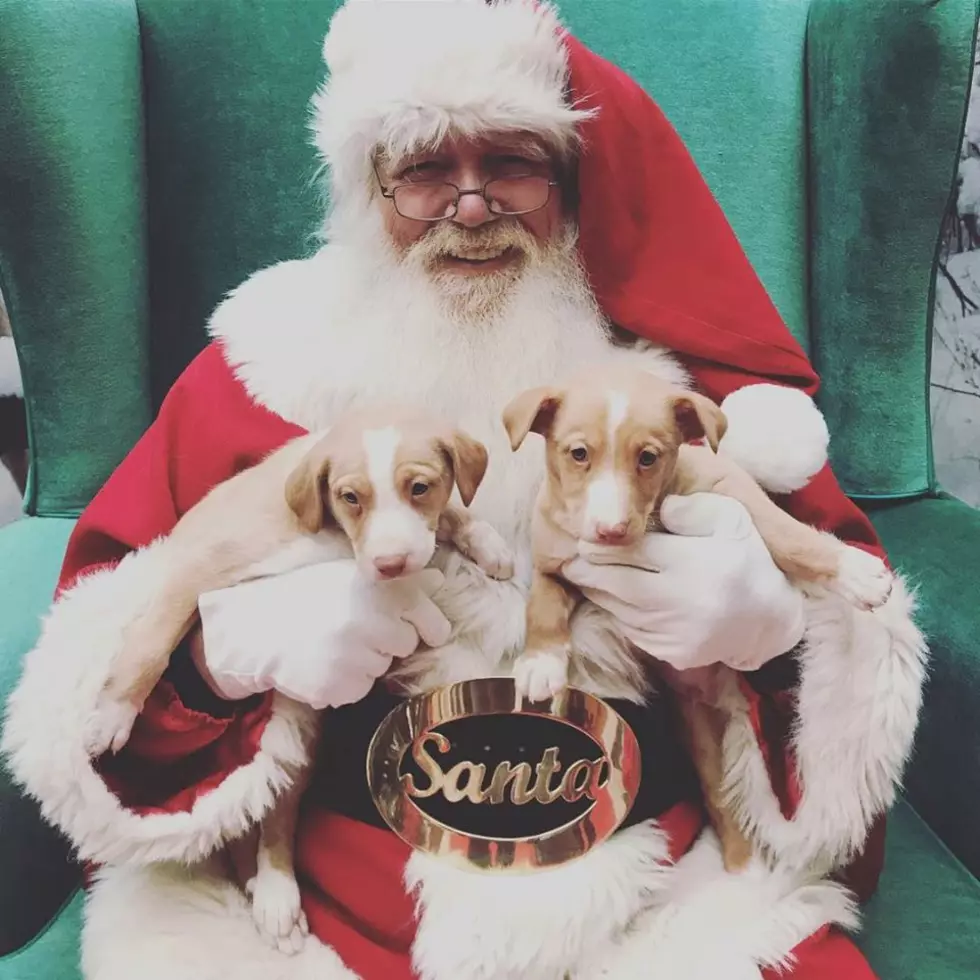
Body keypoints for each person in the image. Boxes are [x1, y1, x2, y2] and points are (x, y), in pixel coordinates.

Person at [2, 2, 926, 978]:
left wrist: (771, 633)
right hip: (334, 904)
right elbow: (96, 692)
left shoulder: (676, 390)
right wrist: (218, 662)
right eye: (425, 167)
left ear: (572, 183)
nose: (472, 204)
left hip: (658, 894)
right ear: (371, 188)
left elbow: (851, 677)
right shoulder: (256, 373)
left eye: (513, 162)